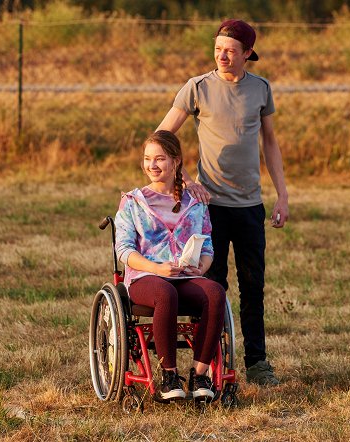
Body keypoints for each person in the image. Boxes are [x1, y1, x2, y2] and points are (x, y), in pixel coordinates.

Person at [157, 19, 289, 386]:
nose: (222, 56)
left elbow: (271, 145)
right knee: (212, 287)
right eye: (218, 49)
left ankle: (258, 364)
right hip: (209, 208)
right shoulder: (197, 88)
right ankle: (209, 365)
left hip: (249, 207)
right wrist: (184, 179)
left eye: (230, 50)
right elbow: (162, 136)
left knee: (253, 285)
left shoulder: (260, 90)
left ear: (248, 54)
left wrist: (282, 194)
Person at [114, 130, 227, 402]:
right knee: (166, 293)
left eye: (160, 159)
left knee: (215, 292)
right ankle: (169, 376)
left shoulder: (195, 203)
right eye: (147, 159)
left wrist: (202, 266)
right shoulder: (133, 202)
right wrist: (157, 269)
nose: (152, 166)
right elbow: (124, 250)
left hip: (186, 275)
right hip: (145, 277)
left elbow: (208, 245)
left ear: (176, 162)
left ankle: (200, 374)